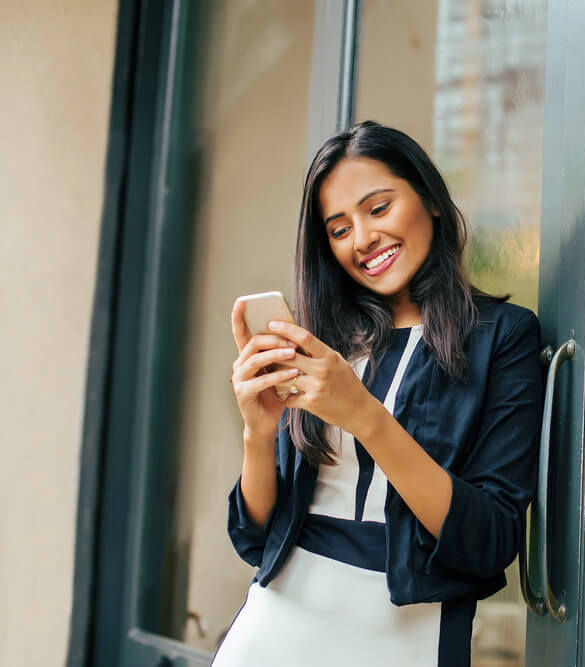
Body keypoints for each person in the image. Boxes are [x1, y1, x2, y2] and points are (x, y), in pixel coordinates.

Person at [212, 121, 544, 667]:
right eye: (339, 229)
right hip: (275, 624)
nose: (362, 239)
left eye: (379, 208)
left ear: (431, 201)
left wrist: (366, 417)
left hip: (406, 634)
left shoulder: (502, 336)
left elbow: (489, 540)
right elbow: (256, 536)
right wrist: (259, 429)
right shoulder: (327, 343)